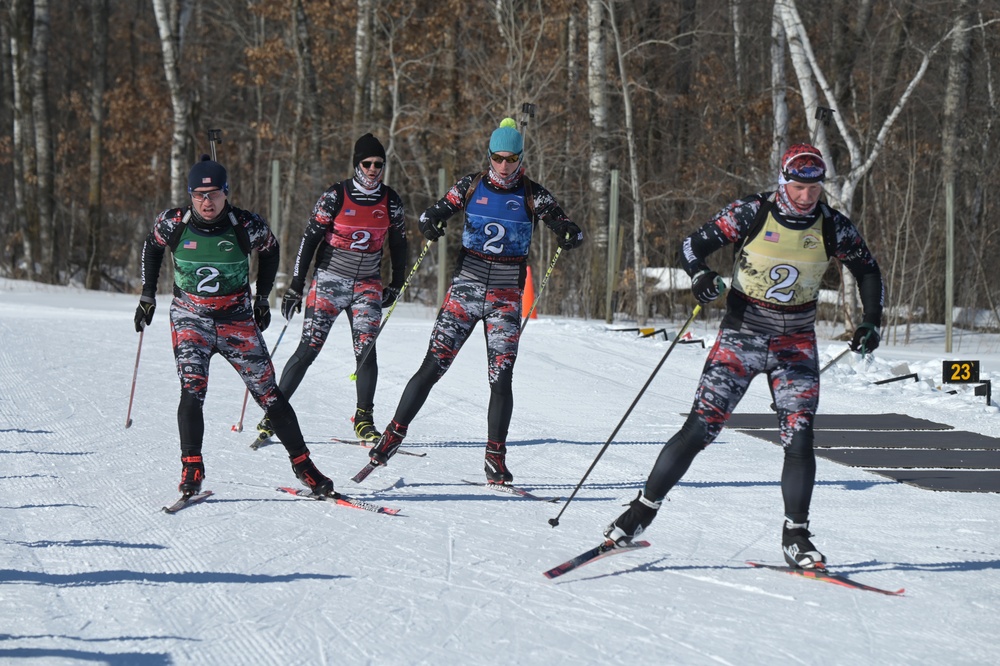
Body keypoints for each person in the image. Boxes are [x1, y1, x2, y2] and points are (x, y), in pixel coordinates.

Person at [602, 143, 883, 569]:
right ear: (783, 182)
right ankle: (642, 510)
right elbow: (692, 245)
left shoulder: (832, 226)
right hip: (742, 335)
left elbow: (867, 268)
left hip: (796, 344)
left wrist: (871, 319)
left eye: (815, 187)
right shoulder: (751, 212)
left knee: (800, 437)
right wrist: (700, 276)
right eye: (799, 186)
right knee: (700, 429)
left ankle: (796, 537)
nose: (807, 195)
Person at [364, 118, 584, 484]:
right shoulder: (471, 185)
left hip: (506, 297)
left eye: (511, 159)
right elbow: (431, 212)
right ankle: (393, 435)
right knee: (433, 366)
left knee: (501, 378)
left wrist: (570, 233)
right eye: (497, 158)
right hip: (465, 290)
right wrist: (431, 222)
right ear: (489, 157)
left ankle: (495, 457)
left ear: (521, 158)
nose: (503, 166)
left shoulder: (533, 194)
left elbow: (564, 224)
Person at [135, 155, 334, 497]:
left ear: (226, 193)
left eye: (213, 194)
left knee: (270, 395)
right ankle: (192, 467)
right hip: (190, 317)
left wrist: (262, 299)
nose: (206, 201)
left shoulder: (246, 225)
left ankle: (305, 466)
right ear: (190, 195)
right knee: (192, 390)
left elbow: (270, 252)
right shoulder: (173, 223)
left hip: (236, 320)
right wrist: (147, 295)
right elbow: (152, 247)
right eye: (199, 194)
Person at [254, 133, 407, 445]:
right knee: (308, 348)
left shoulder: (390, 201)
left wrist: (397, 282)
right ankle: (274, 411)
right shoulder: (335, 196)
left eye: (379, 164)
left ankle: (364, 418)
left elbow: (399, 243)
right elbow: (309, 240)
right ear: (356, 164)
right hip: (329, 281)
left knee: (366, 352)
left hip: (367, 285)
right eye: (368, 163)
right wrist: (296, 286)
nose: (374, 169)